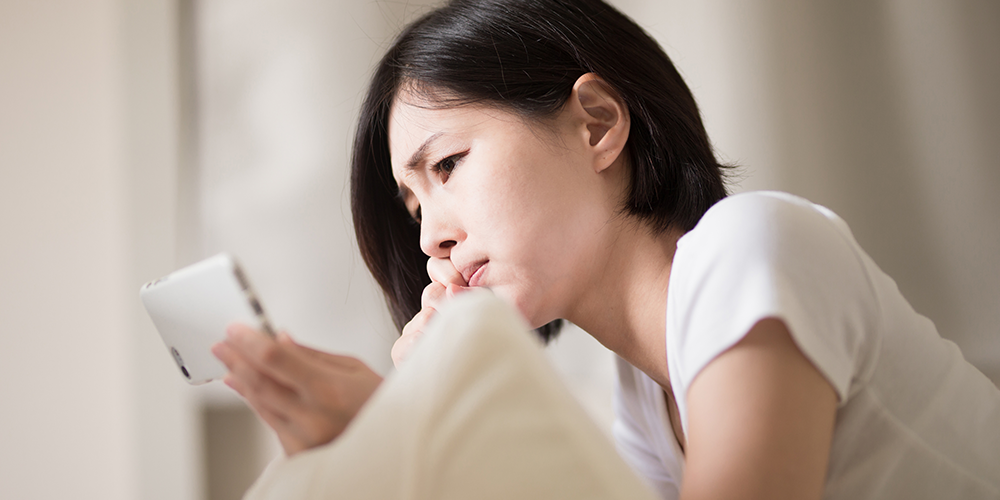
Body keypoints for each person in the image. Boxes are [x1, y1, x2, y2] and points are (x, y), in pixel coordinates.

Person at [212, 0, 1000, 498]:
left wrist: (411, 428)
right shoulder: (643, 398)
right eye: (413, 204)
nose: (429, 237)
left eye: (447, 165)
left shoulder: (750, 246)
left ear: (596, 124)